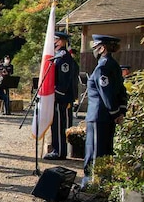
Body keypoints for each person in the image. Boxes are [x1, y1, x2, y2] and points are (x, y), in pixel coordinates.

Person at [82, 34, 128, 189]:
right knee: (105, 150)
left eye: (96, 46)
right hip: (107, 115)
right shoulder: (113, 64)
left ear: (102, 48)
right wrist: (120, 111)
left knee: (94, 151)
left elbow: (106, 93)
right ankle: (103, 182)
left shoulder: (103, 66)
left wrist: (115, 112)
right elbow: (121, 91)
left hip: (99, 115)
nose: (94, 49)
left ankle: (92, 183)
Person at [44, 31, 79, 160]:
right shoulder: (58, 55)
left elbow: (64, 81)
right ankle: (57, 149)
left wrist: (56, 94)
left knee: (59, 125)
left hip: (61, 97)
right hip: (58, 97)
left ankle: (59, 151)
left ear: (59, 41)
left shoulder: (63, 57)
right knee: (56, 124)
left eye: (54, 39)